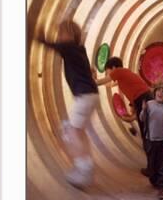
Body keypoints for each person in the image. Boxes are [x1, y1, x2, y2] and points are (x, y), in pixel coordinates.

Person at [37, 20, 99, 189]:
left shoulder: (69, 47)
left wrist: (40, 38)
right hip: (91, 95)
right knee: (79, 131)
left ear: (69, 35)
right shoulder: (79, 50)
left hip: (85, 96)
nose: (59, 36)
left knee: (71, 131)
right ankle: (87, 165)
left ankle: (84, 170)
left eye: (61, 33)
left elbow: (56, 46)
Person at [96, 57, 153, 158]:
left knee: (146, 134)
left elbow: (102, 81)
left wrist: (87, 80)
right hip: (147, 98)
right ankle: (158, 164)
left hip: (142, 99)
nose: (108, 74)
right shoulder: (125, 75)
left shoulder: (118, 71)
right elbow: (109, 85)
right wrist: (131, 117)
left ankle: (153, 167)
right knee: (150, 132)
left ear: (113, 67)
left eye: (107, 71)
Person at [140, 85, 163, 200]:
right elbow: (142, 119)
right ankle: (154, 180)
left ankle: (162, 187)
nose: (161, 93)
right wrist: (143, 110)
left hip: (162, 140)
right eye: (159, 90)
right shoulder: (149, 104)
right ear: (155, 92)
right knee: (151, 164)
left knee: (161, 164)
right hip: (150, 139)